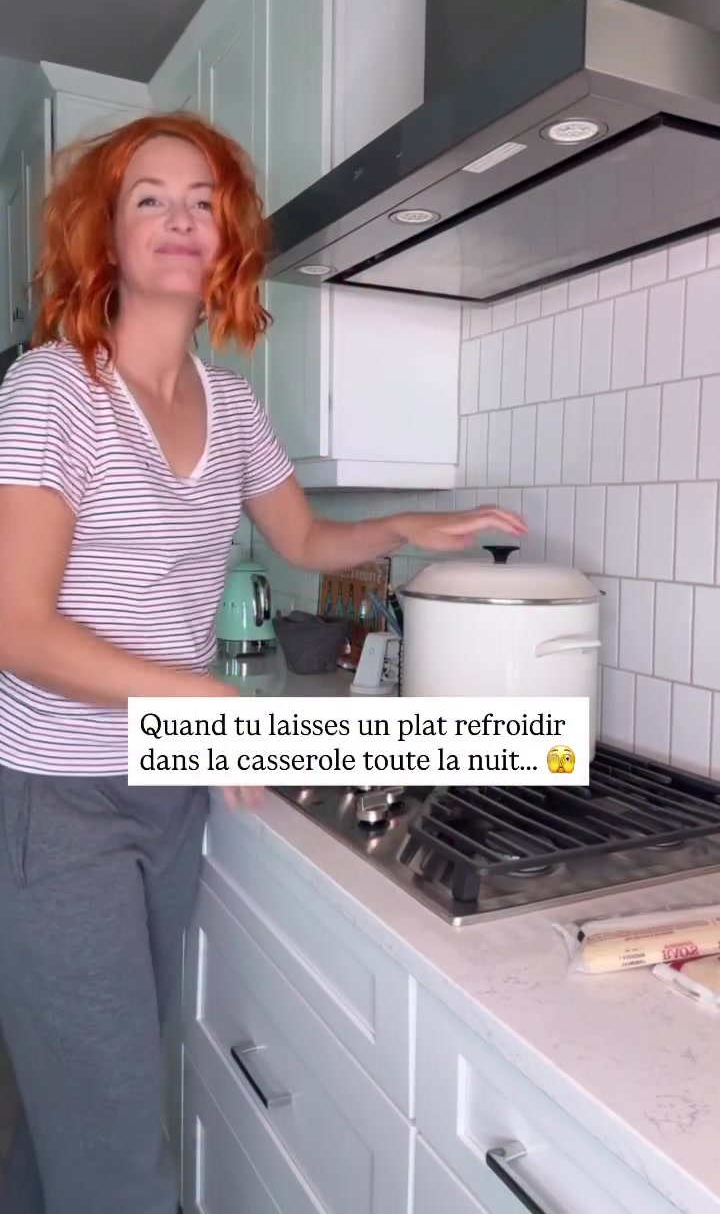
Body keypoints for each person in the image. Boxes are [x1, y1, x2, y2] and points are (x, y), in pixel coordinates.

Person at [0, 111, 526, 1214]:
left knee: (82, 1120)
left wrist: (408, 527)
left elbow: (303, 537)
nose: (180, 219)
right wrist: (200, 694)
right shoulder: (54, 390)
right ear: (105, 231)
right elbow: (18, 627)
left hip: (170, 786)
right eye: (150, 198)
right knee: (118, 1158)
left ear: (228, 237)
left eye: (203, 202)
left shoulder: (230, 406)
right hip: (57, 798)